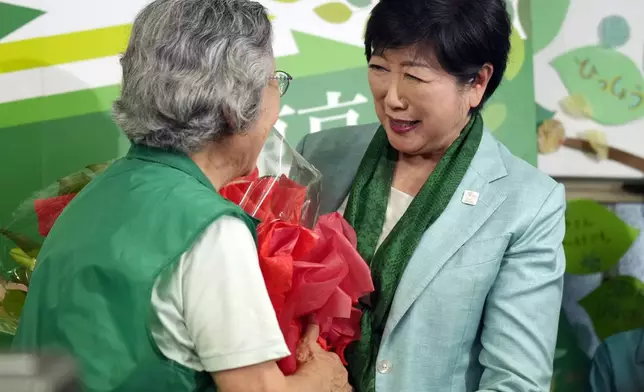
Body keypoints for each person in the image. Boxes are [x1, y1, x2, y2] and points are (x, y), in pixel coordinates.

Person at [12, 1, 350, 391]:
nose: (276, 100)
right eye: (273, 81)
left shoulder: (98, 194)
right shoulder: (209, 228)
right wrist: (322, 376)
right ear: (233, 105)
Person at [297, 0, 566, 391]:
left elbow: (516, 380)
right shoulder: (319, 154)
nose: (392, 97)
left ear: (476, 83)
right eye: (379, 68)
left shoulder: (526, 203)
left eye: (415, 77)